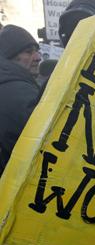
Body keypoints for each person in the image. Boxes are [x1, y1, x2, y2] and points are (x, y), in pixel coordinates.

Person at [0, 25, 41, 175]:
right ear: (9, 56)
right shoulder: (15, 90)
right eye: (28, 52)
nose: (38, 57)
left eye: (37, 51)